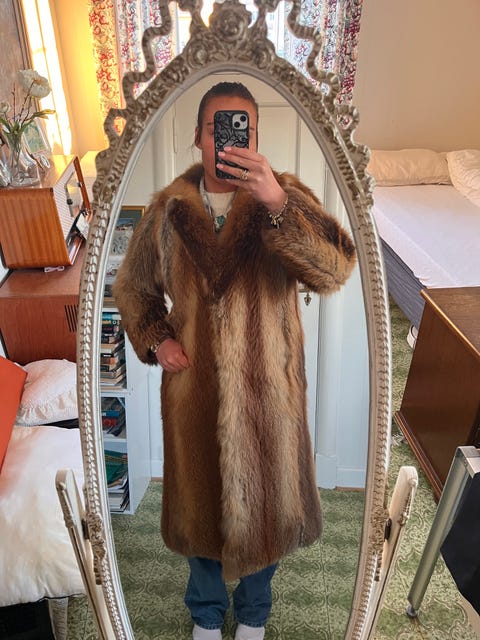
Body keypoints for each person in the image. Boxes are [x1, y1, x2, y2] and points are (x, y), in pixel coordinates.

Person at [113, 82, 356, 640]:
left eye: (241, 127)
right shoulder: (170, 209)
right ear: (199, 137)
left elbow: (336, 268)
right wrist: (156, 339)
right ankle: (204, 613)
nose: (227, 139)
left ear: (254, 137)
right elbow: (132, 288)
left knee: (265, 513)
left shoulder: (284, 197)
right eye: (216, 127)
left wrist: (277, 204)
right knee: (200, 515)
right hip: (194, 391)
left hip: (268, 393)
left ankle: (253, 614)